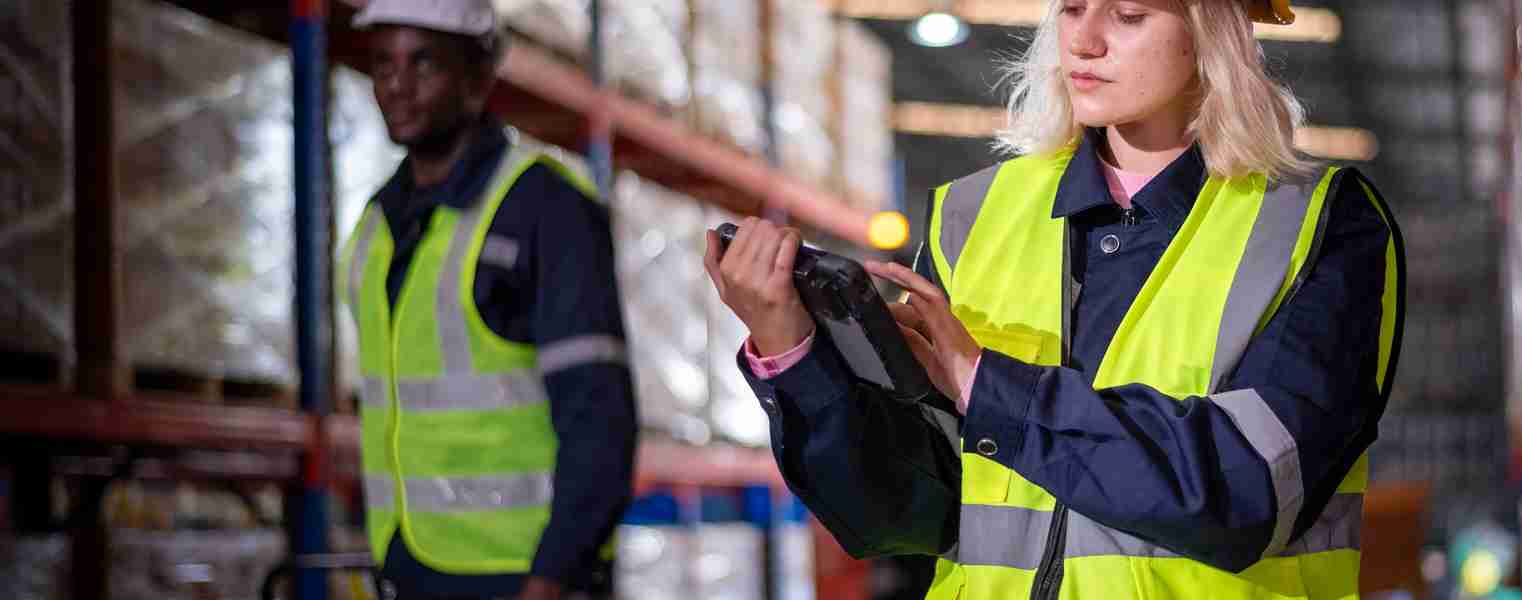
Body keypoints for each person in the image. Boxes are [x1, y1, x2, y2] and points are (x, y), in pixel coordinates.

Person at [706, 0, 1406, 598]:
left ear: (1211, 28)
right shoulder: (972, 220)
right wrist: (790, 347)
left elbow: (1248, 490)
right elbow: (906, 513)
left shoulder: (1316, 226)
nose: (1085, 39)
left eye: (1128, 13)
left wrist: (987, 385)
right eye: (1071, 6)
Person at [338, 1, 637, 598]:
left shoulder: (546, 208)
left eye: (424, 64)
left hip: (525, 577)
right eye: (383, 65)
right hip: (408, 563)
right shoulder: (376, 222)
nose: (398, 86)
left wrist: (551, 578)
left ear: (478, 76)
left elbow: (599, 420)